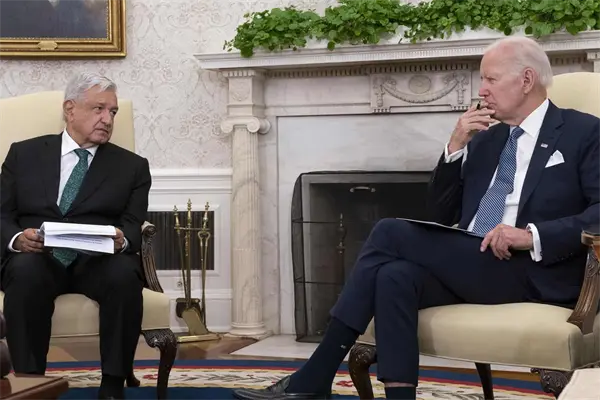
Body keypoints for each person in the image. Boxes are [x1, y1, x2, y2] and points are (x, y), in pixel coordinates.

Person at [232, 36, 600, 400]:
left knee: (389, 231)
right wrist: (455, 147)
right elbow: (440, 214)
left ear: (526, 79)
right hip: (475, 261)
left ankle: (316, 373)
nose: (482, 90)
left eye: (491, 78)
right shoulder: (485, 139)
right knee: (394, 276)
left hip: (531, 269)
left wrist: (531, 235)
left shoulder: (583, 132)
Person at [0, 73, 151, 400]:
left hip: (97, 260)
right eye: (99, 109)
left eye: (113, 112)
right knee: (24, 271)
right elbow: (2, 213)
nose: (107, 119)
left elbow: (133, 225)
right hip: (38, 256)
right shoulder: (23, 154)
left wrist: (122, 239)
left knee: (125, 274)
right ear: (70, 109)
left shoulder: (133, 167)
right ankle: (29, 383)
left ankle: (112, 386)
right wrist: (17, 238)